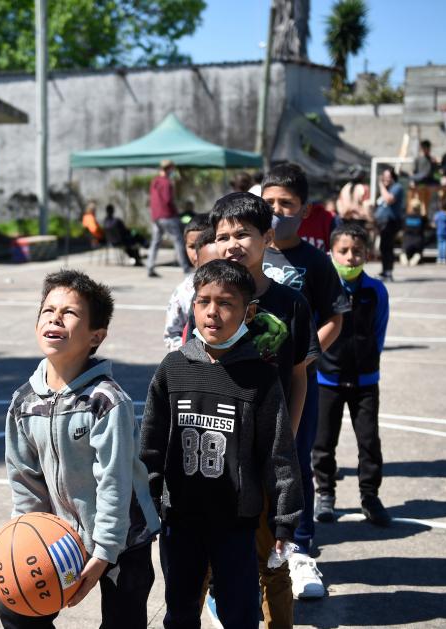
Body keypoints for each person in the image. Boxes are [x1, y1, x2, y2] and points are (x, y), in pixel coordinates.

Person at [140, 259, 302, 629]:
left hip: (235, 523)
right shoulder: (172, 368)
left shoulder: (260, 376)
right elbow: (150, 446)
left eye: (226, 303)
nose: (212, 311)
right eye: (203, 301)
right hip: (179, 520)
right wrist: (146, 505)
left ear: (250, 312)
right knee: (180, 611)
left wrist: (284, 522)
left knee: (240, 614)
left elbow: (279, 454)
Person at [2, 270, 160, 629]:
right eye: (48, 310)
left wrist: (104, 553)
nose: (55, 317)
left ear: (95, 336)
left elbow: (114, 484)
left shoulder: (106, 401)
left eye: (69, 312)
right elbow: (25, 481)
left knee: (124, 621)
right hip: (61, 535)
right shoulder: (23, 402)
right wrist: (25, 534)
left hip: (123, 538)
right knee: (18, 609)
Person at [210, 192, 318, 625]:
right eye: (222, 236)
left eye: (243, 233)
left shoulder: (292, 304)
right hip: (217, 448)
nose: (233, 243)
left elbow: (298, 376)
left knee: (272, 556)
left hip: (269, 453)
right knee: (212, 557)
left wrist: (285, 443)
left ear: (268, 237)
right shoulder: (207, 299)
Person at [261, 163, 351, 600]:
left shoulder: (315, 261)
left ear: (304, 210)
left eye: (286, 205)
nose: (276, 212)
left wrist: (305, 351)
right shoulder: (248, 252)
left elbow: (335, 316)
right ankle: (256, 549)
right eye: (269, 202)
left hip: (298, 379)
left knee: (294, 459)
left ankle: (299, 548)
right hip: (250, 382)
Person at [312, 223, 391, 528]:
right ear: (331, 252)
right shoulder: (325, 289)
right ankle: (326, 495)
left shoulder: (376, 291)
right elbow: (317, 330)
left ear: (367, 254)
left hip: (365, 381)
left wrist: (369, 361)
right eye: (343, 251)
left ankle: (370, 497)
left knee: (369, 441)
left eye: (357, 251)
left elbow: (379, 332)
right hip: (327, 379)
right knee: (323, 442)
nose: (350, 258)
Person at [164, 216, 210, 351]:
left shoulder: (234, 283)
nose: (197, 253)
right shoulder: (183, 291)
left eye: (203, 245)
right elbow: (171, 334)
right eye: (191, 246)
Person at [147, 160, 191, 277]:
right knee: (179, 241)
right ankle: (186, 269)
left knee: (155, 243)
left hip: (156, 216)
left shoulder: (154, 181)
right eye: (172, 169)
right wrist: (176, 213)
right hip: (167, 216)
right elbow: (168, 200)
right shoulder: (166, 183)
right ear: (169, 168)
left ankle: (149, 267)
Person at [375, 167, 404, 281]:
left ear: (393, 177)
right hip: (382, 222)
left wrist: (381, 185)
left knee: (388, 247)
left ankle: (388, 271)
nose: (385, 179)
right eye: (384, 177)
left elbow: (389, 199)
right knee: (383, 247)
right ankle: (384, 270)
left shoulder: (397, 187)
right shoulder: (386, 189)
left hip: (390, 222)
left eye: (388, 177)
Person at [409, 140, 437, 217]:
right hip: (419, 185)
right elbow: (412, 172)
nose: (426, 150)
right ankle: (416, 218)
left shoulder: (432, 160)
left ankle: (425, 219)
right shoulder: (418, 159)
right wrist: (412, 181)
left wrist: (435, 163)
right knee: (417, 203)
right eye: (424, 148)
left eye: (428, 148)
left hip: (429, 184)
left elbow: (436, 172)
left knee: (426, 203)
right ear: (422, 148)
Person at [399, 201, 426, 266]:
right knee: (418, 252)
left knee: (404, 252)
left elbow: (401, 227)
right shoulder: (421, 218)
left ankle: (404, 257)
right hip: (418, 241)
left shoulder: (405, 217)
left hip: (407, 241)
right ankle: (416, 257)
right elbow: (426, 224)